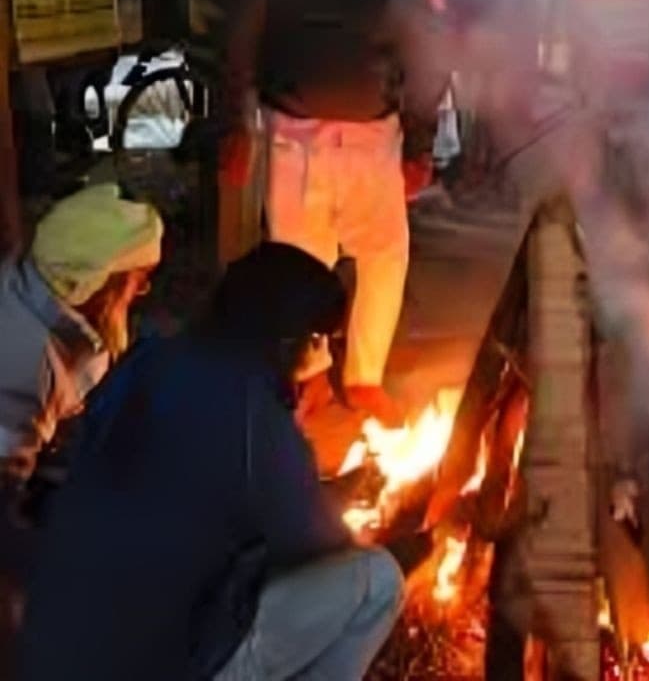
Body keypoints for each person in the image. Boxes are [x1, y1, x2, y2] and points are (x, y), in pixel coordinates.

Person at [17, 243, 403, 681]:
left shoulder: (149, 361)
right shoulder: (254, 414)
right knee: (376, 578)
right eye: (322, 340)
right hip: (155, 662)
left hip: (51, 639)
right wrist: (330, 497)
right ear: (290, 339)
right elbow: (315, 541)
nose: (324, 354)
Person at [220, 0, 448, 422]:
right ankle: (310, 372)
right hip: (296, 138)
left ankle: (365, 376)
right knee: (300, 261)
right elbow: (236, 43)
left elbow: (424, 57)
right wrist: (232, 126)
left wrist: (419, 143)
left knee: (386, 257)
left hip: (375, 139)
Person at [0, 184, 162, 487]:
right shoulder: (29, 366)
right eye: (139, 280)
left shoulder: (21, 283)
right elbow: (7, 492)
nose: (143, 292)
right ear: (104, 283)